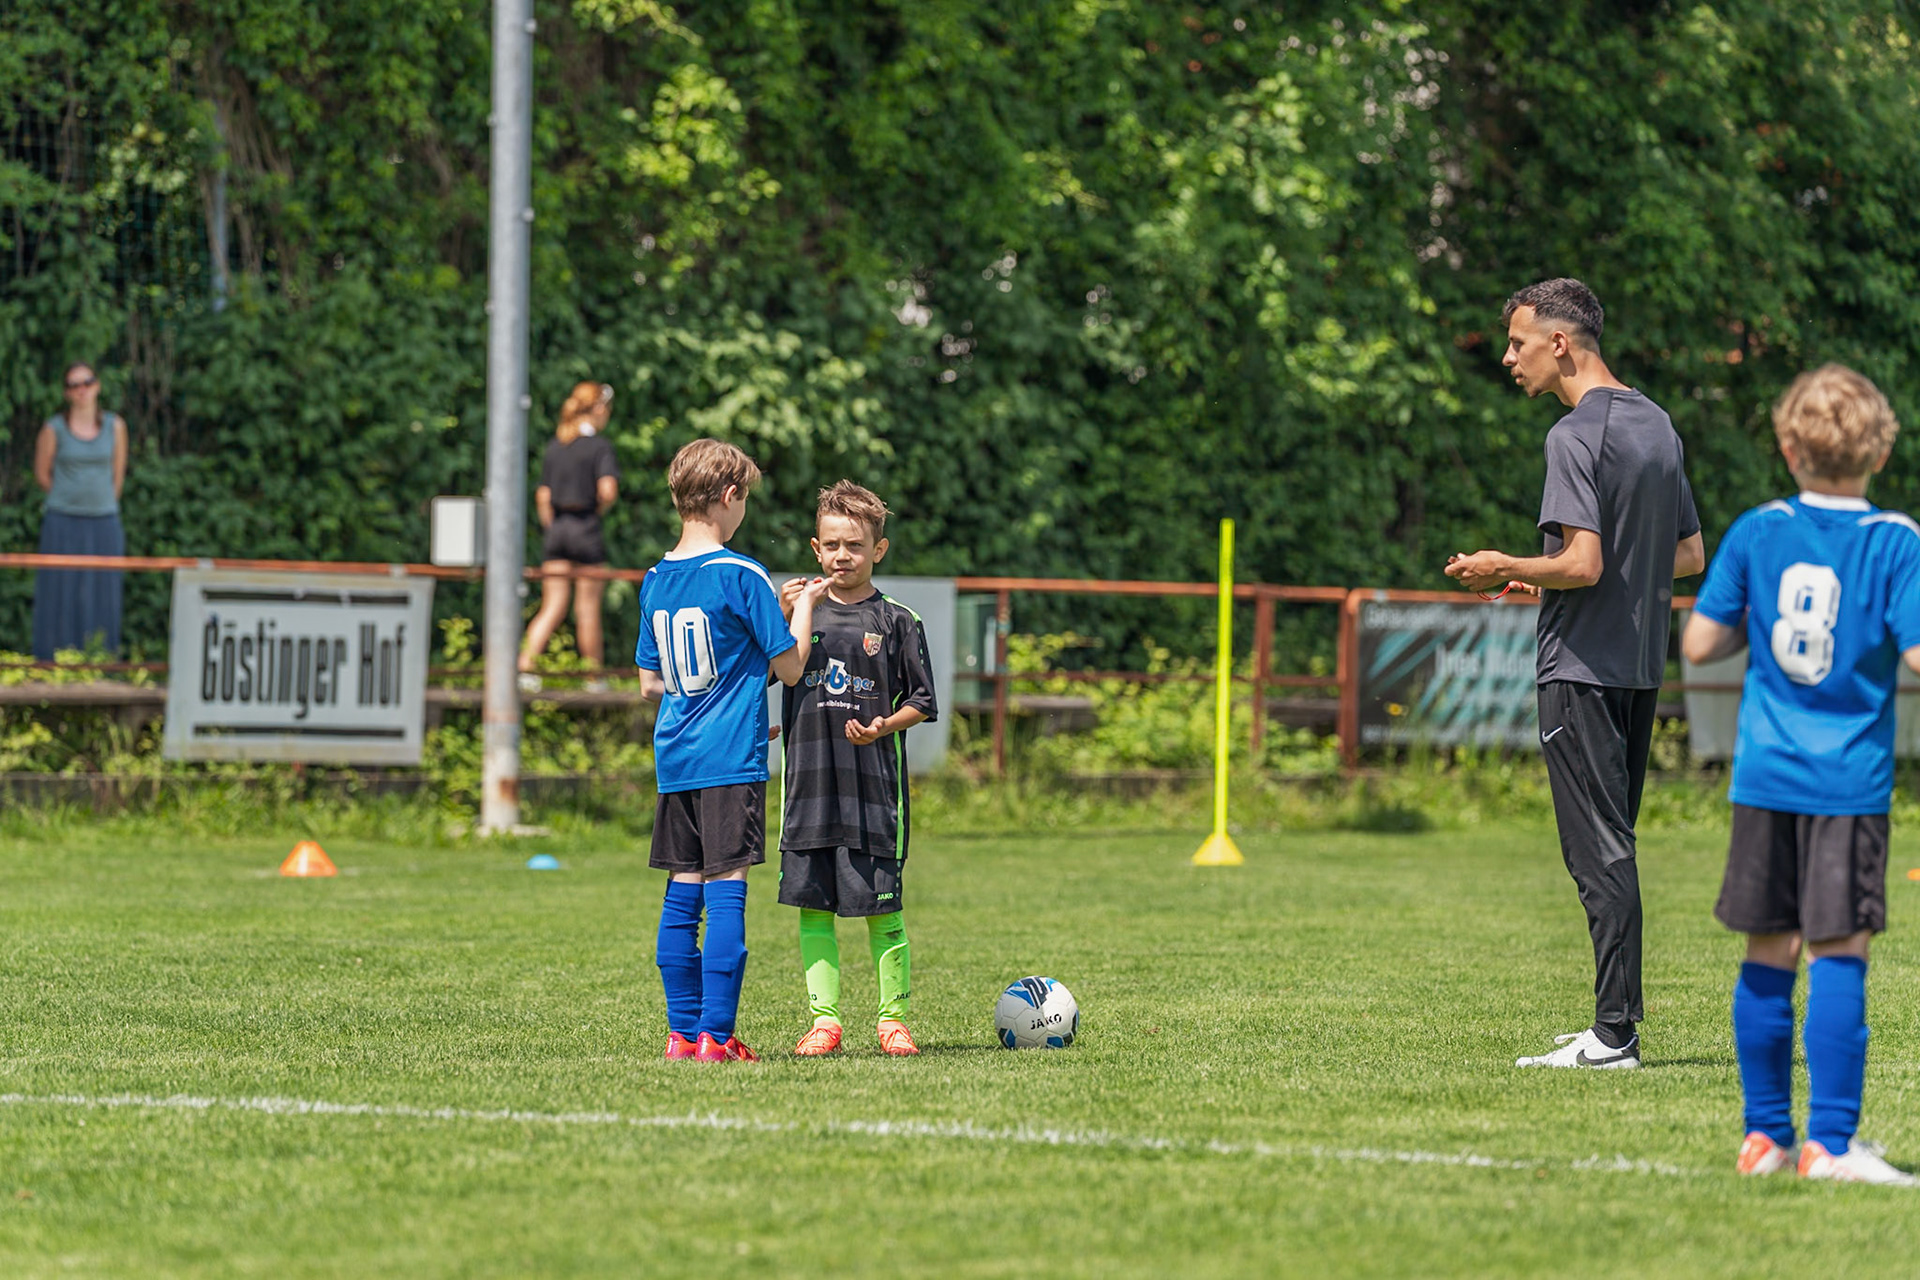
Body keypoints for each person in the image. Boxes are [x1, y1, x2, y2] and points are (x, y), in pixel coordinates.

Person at [1444, 277, 1704, 1069]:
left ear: (1559, 343)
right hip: (1637, 669)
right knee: (1612, 844)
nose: (1508, 357)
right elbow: (1688, 555)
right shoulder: (1657, 423)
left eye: (1518, 342)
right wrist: (1555, 576)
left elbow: (1584, 563)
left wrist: (1505, 565)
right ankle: (1611, 1019)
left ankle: (1614, 1035)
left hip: (1580, 669)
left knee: (1598, 854)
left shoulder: (1572, 436)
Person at [1681, 365, 1919, 1185]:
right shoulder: (1897, 541)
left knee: (1768, 950)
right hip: (1846, 784)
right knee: (1838, 951)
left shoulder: (1759, 530)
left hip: (1765, 777)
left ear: (1787, 448)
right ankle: (1832, 1145)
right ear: (1879, 452)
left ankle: (1765, 1138)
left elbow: (1699, 645)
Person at [635, 437, 828, 1063]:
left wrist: (736, 699)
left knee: (681, 891)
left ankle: (681, 1036)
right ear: (730, 495)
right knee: (726, 891)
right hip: (729, 763)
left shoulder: (656, 578)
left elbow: (651, 682)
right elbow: (792, 668)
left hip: (676, 759)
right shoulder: (743, 574)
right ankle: (717, 1036)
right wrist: (803, 609)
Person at [775, 481, 938, 1058]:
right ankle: (825, 1022)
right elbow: (765, 675)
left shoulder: (897, 620)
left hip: (874, 794)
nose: (842, 556)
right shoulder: (798, 615)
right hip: (808, 790)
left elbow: (922, 701)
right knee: (813, 907)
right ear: (815, 548)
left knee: (883, 910)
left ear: (879, 550)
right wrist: (784, 614)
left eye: (855, 545)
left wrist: (884, 726)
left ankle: (893, 1021)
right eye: (832, 545)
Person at [518, 382, 621, 693]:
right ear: (598, 409)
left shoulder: (556, 446)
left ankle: (525, 668)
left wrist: (554, 527)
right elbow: (608, 491)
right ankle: (593, 678)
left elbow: (543, 496)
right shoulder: (599, 447)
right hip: (585, 527)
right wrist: (595, 511)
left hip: (558, 530)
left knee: (552, 605)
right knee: (587, 608)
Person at [32, 361, 129, 659]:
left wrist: (100, 502)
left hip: (104, 521)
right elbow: (42, 474)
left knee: (103, 592)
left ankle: (100, 659)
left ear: (97, 386)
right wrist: (69, 499)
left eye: (87, 382)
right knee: (58, 590)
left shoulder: (115, 426)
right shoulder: (53, 428)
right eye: (74, 385)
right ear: (66, 393)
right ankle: (53, 661)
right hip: (62, 521)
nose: (82, 390)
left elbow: (118, 474)